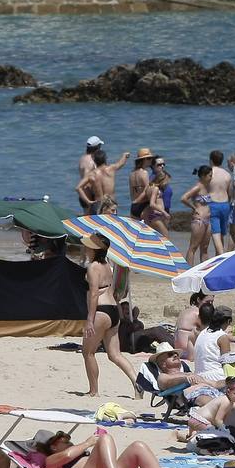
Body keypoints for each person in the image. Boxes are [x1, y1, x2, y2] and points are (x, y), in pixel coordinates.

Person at [81, 234, 137, 397]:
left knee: (88, 352)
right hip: (113, 310)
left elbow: (93, 295)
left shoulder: (93, 267)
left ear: (95, 249)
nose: (85, 248)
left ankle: (94, 391)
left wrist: (89, 320)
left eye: (88, 246)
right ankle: (137, 383)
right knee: (115, 355)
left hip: (101, 311)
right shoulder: (108, 266)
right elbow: (112, 289)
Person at [37, 429, 175, 468]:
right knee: (105, 438)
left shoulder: (76, 452)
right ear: (53, 446)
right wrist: (87, 443)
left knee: (138, 446)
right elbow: (67, 455)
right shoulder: (50, 462)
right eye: (64, 441)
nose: (69, 442)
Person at [181, 165, 214, 267]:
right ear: (203, 176)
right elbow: (184, 198)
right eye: (209, 175)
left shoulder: (207, 187)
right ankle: (188, 271)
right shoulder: (197, 187)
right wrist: (194, 208)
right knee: (193, 247)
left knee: (204, 248)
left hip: (208, 220)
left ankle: (203, 272)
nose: (211, 177)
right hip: (199, 221)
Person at [202, 149, 234, 253]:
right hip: (225, 205)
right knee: (222, 235)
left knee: (215, 234)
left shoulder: (208, 173)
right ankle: (219, 257)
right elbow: (230, 193)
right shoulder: (227, 174)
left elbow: (202, 190)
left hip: (213, 204)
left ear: (211, 160)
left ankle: (221, 256)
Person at [174, 292, 211, 361]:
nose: (210, 304)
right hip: (188, 351)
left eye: (212, 302)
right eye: (208, 302)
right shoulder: (198, 313)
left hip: (178, 349)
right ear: (199, 300)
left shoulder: (186, 310)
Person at [127, 148, 156, 220]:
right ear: (143, 160)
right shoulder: (144, 173)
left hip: (134, 207)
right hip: (144, 205)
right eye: (149, 158)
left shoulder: (132, 174)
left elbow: (132, 192)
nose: (151, 160)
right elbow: (147, 190)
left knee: (135, 230)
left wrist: (135, 202)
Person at [141, 168, 171, 236]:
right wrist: (164, 212)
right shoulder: (156, 188)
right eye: (166, 181)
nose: (167, 184)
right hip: (156, 216)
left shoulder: (149, 187)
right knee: (166, 239)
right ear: (161, 179)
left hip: (152, 215)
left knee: (156, 239)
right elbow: (152, 204)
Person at [77, 136, 104, 210]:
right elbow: (87, 181)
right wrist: (89, 200)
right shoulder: (91, 161)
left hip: (83, 195)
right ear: (97, 147)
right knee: (93, 219)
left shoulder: (82, 158)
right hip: (88, 196)